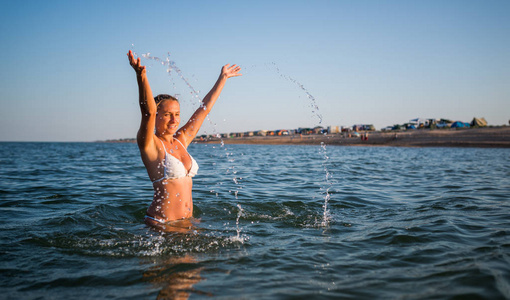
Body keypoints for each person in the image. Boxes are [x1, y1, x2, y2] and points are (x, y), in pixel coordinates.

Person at [127, 50, 241, 227]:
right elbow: (147, 111)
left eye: (177, 114)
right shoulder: (150, 144)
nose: (174, 120)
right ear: (157, 117)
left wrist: (223, 78)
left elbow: (204, 110)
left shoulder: (181, 139)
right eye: (167, 115)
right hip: (163, 224)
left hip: (188, 223)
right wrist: (141, 76)